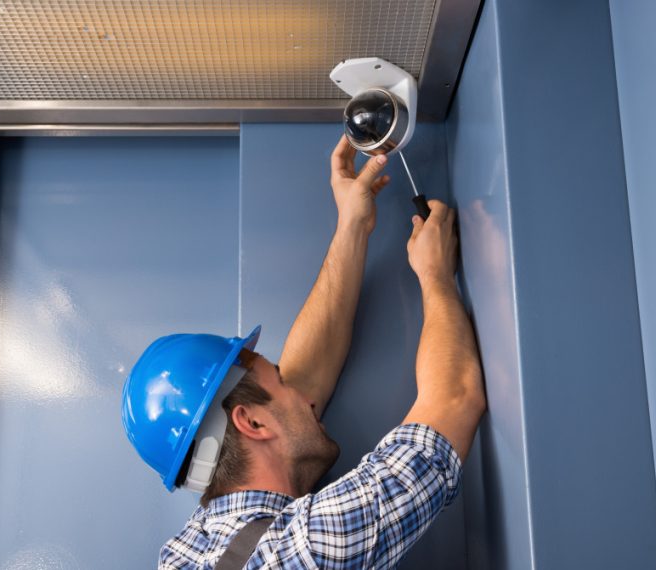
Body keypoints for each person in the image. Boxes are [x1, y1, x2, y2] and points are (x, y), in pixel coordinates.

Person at [121, 135, 486, 569]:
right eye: (280, 381)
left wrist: (353, 223)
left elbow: (302, 381)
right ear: (251, 422)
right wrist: (436, 273)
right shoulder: (308, 549)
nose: (305, 396)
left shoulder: (192, 549)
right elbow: (454, 401)